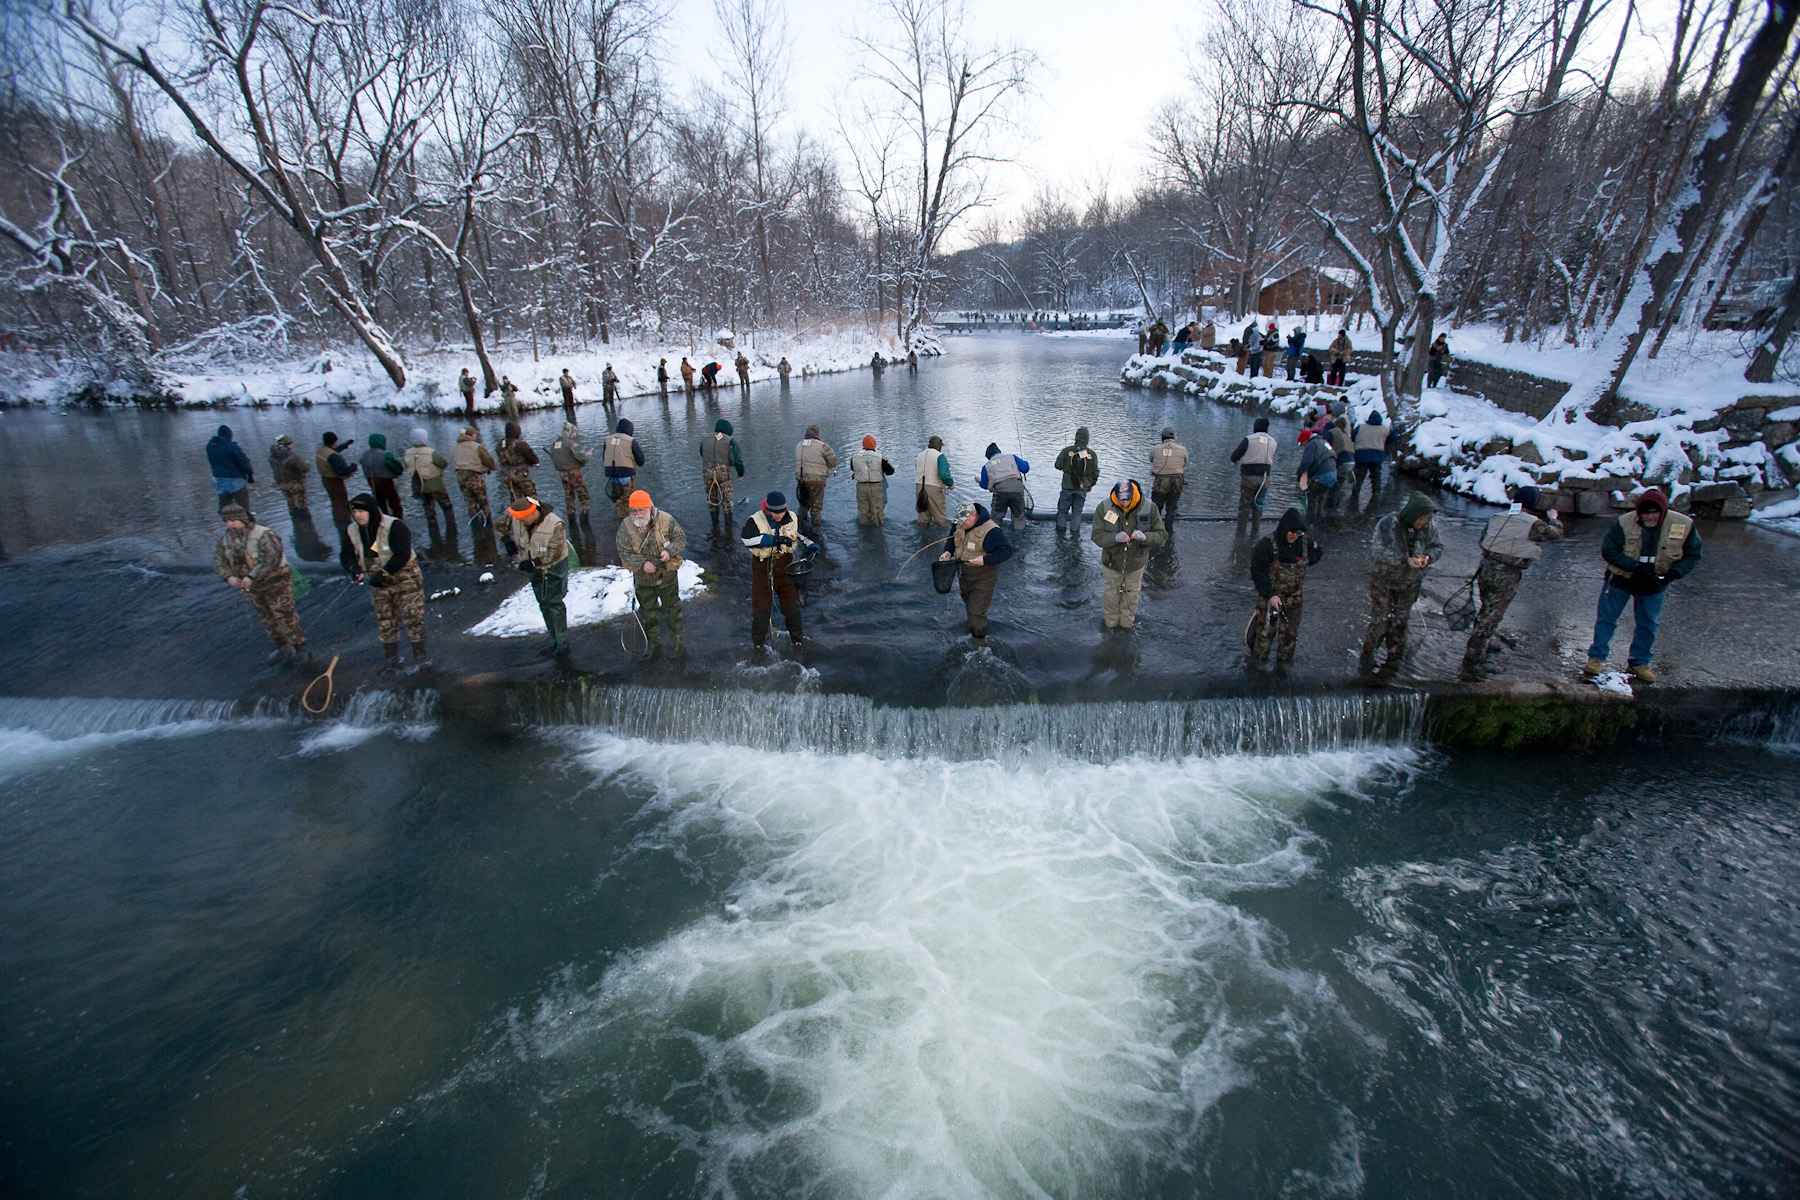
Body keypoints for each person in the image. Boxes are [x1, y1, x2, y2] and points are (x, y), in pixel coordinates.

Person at [1583, 488, 1702, 684]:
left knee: (1648, 624)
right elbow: (1609, 550)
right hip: (1621, 578)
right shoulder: (1624, 523)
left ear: (1662, 512)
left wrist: (1672, 575)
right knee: (1606, 619)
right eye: (1645, 513)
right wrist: (1634, 567)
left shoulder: (1684, 524)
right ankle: (1596, 659)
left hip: (1655, 582)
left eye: (1654, 513)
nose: (1649, 517)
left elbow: (1693, 555)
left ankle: (1639, 663)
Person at [1460, 486, 1564, 680]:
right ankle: (1473, 661)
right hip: (1507, 574)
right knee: (1492, 616)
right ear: (1532, 503)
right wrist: (1554, 519)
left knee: (1486, 608)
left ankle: (1484, 642)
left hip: (1485, 569)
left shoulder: (1497, 517)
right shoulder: (1534, 524)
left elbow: (1483, 539)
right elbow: (1555, 535)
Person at [341, 492, 428, 672]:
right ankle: (392, 659)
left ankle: (421, 657)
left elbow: (402, 554)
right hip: (376, 579)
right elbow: (346, 555)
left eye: (361, 511)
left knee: (413, 615)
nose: (357, 515)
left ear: (371, 511)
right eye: (354, 511)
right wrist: (354, 569)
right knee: (385, 618)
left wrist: (385, 572)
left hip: (404, 575)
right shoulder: (351, 530)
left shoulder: (394, 526)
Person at [1359, 493, 1443, 677]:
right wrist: (1406, 560)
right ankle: (1367, 656)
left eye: (1428, 519)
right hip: (1383, 580)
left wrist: (1428, 558)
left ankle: (1394, 659)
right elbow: (1379, 552)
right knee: (1380, 619)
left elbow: (1437, 546)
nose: (1425, 522)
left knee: (1400, 620)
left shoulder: (1429, 527)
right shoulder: (1388, 524)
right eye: (1423, 518)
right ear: (1413, 514)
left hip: (1410, 583)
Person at [215, 503, 308, 667]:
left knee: (284, 615)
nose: (230, 524)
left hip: (275, 583)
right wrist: (229, 577)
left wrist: (252, 576)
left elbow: (272, 558)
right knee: (267, 619)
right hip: (252, 587)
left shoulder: (263, 534)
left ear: (242, 519)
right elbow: (220, 562)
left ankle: (300, 648)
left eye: (233, 520)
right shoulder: (225, 540)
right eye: (227, 521)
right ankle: (282, 647)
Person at [1247, 507, 1323, 670]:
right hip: (1271, 600)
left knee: (1289, 637)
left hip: (1294, 600)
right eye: (1291, 532)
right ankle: (1257, 670)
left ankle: (1283, 670)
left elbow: (1318, 552)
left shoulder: (1304, 542)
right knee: (1264, 636)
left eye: (1297, 533)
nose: (1293, 536)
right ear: (1284, 529)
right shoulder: (1266, 545)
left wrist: (1308, 561)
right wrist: (1269, 594)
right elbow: (1257, 572)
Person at [616, 489, 686, 659]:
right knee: (648, 612)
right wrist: (642, 564)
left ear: (650, 507)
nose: (637, 514)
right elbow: (623, 552)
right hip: (643, 579)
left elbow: (680, 539)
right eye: (634, 511)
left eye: (641, 510)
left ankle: (677, 640)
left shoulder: (666, 519)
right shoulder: (625, 526)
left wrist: (669, 552)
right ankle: (654, 643)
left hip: (667, 575)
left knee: (673, 609)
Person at [1089, 480, 1167, 631]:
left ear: (1133, 495)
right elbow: (1096, 536)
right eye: (1120, 499)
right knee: (1111, 596)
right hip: (1111, 564)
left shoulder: (1150, 508)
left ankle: (1126, 626)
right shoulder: (1104, 508)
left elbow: (1162, 536)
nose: (1124, 503)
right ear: (1115, 495)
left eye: (1127, 499)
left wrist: (1145, 537)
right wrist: (1114, 538)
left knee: (1131, 597)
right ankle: (1110, 626)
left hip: (1135, 565)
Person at [741, 492, 813, 653]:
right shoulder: (754, 520)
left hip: (786, 565)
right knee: (761, 608)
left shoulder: (792, 517)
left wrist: (811, 546)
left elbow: (801, 536)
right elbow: (746, 540)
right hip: (762, 567)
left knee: (792, 607)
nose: (779, 515)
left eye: (782, 511)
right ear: (767, 509)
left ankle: (797, 641)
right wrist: (774, 540)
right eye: (775, 512)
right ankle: (758, 646)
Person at [502, 496, 574, 658]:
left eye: (524, 518)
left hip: (554, 567)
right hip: (532, 568)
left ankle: (562, 644)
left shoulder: (555, 524)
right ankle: (553, 639)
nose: (521, 521)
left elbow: (554, 553)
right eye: (518, 518)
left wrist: (533, 563)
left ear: (534, 512)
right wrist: (507, 540)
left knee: (554, 603)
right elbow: (499, 525)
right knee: (543, 602)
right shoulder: (516, 516)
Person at [939, 503, 1014, 643]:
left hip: (984, 577)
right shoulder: (959, 524)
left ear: (974, 516)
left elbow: (1006, 551)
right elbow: (951, 540)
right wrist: (947, 552)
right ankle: (975, 627)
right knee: (969, 605)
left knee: (976, 612)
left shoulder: (992, 531)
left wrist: (985, 560)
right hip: (964, 575)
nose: (960, 524)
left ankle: (980, 642)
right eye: (958, 521)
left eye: (963, 521)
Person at [403, 427, 454, 541]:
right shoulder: (430, 452)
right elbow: (443, 463)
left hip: (419, 486)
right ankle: (452, 532)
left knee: (428, 510)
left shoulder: (407, 453)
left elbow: (407, 466)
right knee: (447, 507)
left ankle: (434, 534)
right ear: (424, 439)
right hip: (435, 484)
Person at [1229, 417, 1277, 532]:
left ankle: (1241, 532)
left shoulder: (1249, 439)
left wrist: (1236, 461)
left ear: (1255, 426)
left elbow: (1235, 456)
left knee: (1244, 506)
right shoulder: (1273, 442)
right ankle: (1255, 531)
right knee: (1259, 505)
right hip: (1265, 478)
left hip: (1249, 477)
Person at [1053, 427, 1100, 534]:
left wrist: (1067, 464)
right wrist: (1090, 485)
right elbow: (1096, 472)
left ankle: (1060, 535)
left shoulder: (1066, 450)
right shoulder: (1092, 454)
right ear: (1087, 439)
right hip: (1082, 487)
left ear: (1076, 437)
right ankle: (1075, 535)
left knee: (1062, 511)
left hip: (1067, 487)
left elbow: (1057, 466)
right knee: (1077, 513)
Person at [700, 417, 745, 526]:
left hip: (707, 472)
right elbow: (737, 460)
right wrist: (740, 473)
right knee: (727, 500)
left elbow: (702, 453)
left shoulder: (705, 439)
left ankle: (715, 524)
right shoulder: (730, 441)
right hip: (723, 473)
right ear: (728, 431)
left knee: (712, 499)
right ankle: (728, 525)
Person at [794, 424, 840, 531]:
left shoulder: (799, 445)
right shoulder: (822, 446)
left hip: (801, 480)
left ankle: (800, 525)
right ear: (817, 434)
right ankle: (816, 528)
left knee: (803, 503)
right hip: (816, 481)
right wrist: (826, 467)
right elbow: (833, 461)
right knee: (816, 506)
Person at [451, 425, 498, 525]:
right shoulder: (476, 446)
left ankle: (475, 522)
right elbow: (488, 461)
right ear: (471, 435)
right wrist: (492, 468)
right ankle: (488, 523)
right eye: (475, 434)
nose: (476, 436)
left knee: (470, 501)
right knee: (483, 500)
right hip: (474, 477)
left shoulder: (455, 447)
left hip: (460, 478)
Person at [206, 423, 255, 514]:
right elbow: (244, 462)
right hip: (235, 478)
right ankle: (245, 522)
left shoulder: (210, 446)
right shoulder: (231, 447)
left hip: (218, 479)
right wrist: (250, 475)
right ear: (229, 435)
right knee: (243, 506)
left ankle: (228, 523)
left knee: (224, 506)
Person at [602, 418, 646, 520]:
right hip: (625, 475)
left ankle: (620, 521)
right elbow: (641, 461)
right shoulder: (631, 441)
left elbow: (604, 458)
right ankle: (629, 524)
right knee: (628, 501)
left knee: (618, 500)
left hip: (611, 474)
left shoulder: (607, 440)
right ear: (630, 430)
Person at [548, 421, 592, 521]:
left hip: (562, 473)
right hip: (574, 472)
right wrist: (588, 455)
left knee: (568, 493)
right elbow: (581, 457)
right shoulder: (570, 443)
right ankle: (585, 511)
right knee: (582, 492)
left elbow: (554, 458)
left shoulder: (555, 443)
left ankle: (570, 511)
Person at [979, 442, 1031, 526]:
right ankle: (1019, 535)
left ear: (989, 457)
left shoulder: (987, 466)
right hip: (1017, 489)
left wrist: (979, 481)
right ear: (999, 451)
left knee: (996, 518)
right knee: (1019, 518)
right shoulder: (1012, 457)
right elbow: (1025, 468)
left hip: (1000, 492)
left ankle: (997, 535)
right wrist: (1025, 462)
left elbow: (985, 485)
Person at [1296, 423, 1337, 528]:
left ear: (1305, 440)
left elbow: (1306, 462)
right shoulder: (1323, 442)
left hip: (1323, 476)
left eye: (1302, 444)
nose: (1302, 446)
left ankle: (1308, 523)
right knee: (1321, 497)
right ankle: (1318, 522)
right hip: (1333, 474)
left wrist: (1299, 475)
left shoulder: (1311, 444)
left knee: (1311, 497)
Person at [849, 434, 896, 525]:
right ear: (874, 445)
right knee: (877, 512)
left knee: (863, 512)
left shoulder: (854, 457)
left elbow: (853, 468)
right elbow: (891, 471)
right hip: (876, 487)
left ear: (863, 445)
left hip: (861, 487)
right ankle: (878, 530)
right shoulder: (880, 457)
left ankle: (864, 532)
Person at [315, 432, 358, 531]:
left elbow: (333, 451)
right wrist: (353, 467)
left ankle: (338, 520)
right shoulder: (333, 456)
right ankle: (344, 523)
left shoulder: (321, 450)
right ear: (334, 441)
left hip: (325, 479)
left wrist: (346, 444)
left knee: (334, 501)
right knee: (341, 501)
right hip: (334, 482)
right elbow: (342, 471)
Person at [1349, 409, 1391, 506]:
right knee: (1376, 477)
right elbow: (1393, 437)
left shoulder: (1361, 427)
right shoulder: (1385, 429)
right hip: (1377, 456)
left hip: (1361, 456)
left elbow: (1352, 437)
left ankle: (1354, 495)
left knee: (1359, 477)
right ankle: (1376, 496)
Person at [359, 432, 405, 519]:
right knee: (394, 501)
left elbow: (361, 463)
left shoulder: (365, 454)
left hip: (371, 481)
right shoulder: (385, 454)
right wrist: (398, 473)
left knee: (380, 501)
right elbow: (397, 468)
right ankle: (398, 519)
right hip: (385, 481)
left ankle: (383, 518)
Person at [1149, 428, 1189, 523]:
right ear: (1174, 438)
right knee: (1171, 507)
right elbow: (1185, 462)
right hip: (1177, 481)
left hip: (1160, 482)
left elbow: (1151, 459)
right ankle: (1169, 530)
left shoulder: (1155, 448)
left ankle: (1156, 527)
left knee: (1156, 506)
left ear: (1162, 438)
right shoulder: (1183, 449)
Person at [916, 435, 954, 527]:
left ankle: (923, 539)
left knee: (923, 517)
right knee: (940, 518)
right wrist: (950, 483)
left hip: (919, 487)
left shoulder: (919, 455)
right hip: (934, 489)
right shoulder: (940, 456)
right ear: (939, 446)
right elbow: (944, 475)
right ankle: (941, 539)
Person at [498, 421, 540, 504]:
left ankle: (517, 515)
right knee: (532, 498)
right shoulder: (520, 444)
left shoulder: (500, 444)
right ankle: (536, 515)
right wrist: (534, 463)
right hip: (521, 475)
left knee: (515, 498)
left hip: (508, 475)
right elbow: (532, 457)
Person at [269, 434, 309, 514]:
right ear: (287, 444)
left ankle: (297, 523)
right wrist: (307, 464)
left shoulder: (272, 457)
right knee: (301, 506)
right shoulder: (293, 456)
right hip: (295, 484)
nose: (292, 445)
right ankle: (305, 523)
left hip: (282, 484)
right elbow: (305, 468)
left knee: (291, 505)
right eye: (291, 443)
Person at [1326, 415, 1355, 512]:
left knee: (1333, 483)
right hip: (1351, 461)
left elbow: (1326, 446)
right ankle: (1336, 505)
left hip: (1342, 460)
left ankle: (1330, 506)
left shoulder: (1332, 432)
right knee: (1339, 483)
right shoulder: (1346, 434)